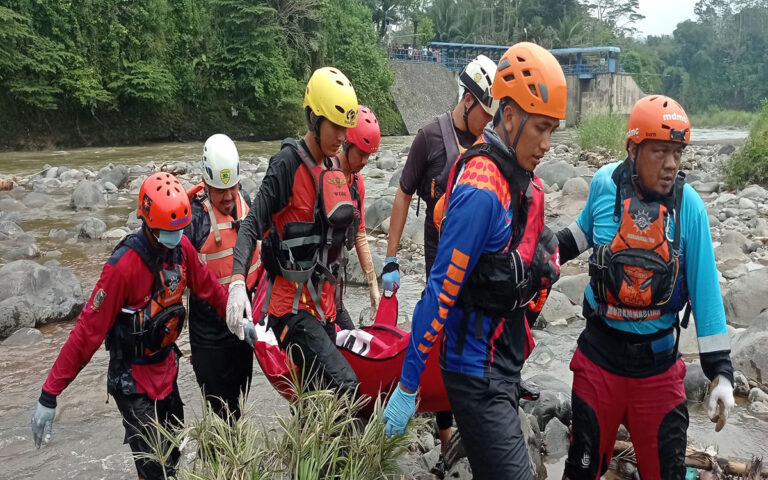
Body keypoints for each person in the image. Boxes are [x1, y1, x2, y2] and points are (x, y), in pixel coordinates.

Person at [382, 42, 567, 479]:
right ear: (509, 114)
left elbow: (530, 260)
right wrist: (408, 385)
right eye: (539, 128)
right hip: (474, 371)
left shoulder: (524, 182)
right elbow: (440, 291)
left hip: (503, 361)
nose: (546, 144)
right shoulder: (480, 192)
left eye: (552, 130)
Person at [555, 95, 735, 480]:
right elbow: (578, 236)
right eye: (659, 151)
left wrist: (721, 373)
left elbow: (706, 294)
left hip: (657, 369)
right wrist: (536, 256)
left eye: (677, 152)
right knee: (581, 472)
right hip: (598, 360)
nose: (671, 164)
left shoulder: (690, 208)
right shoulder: (604, 184)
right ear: (633, 149)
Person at [30, 173, 245, 480]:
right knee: (154, 464)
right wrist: (49, 394)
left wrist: (241, 321)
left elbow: (210, 288)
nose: (177, 236)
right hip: (131, 380)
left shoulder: (181, 248)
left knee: (172, 452)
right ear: (148, 222)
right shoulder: (123, 268)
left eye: (180, 229)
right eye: (168, 230)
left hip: (165, 369)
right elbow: (86, 333)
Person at [381, 53, 498, 469]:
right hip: (440, 276)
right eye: (485, 112)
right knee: (440, 351)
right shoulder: (430, 137)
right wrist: (391, 258)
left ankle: (469, 434)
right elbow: (403, 194)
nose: (489, 121)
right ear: (467, 99)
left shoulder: (490, 147)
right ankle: (446, 438)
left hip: (480, 283)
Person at [225, 67, 360, 394]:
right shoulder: (286, 164)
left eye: (346, 128)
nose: (343, 137)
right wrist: (237, 282)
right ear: (314, 119)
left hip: (324, 308)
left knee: (315, 395)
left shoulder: (333, 170)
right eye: (336, 127)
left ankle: (308, 445)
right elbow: (251, 224)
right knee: (346, 386)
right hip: (291, 311)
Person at [184, 133, 263, 422]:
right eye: (221, 190)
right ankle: (219, 456)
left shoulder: (245, 201)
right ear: (205, 184)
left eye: (233, 187)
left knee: (239, 405)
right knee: (220, 412)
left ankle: (233, 460)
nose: (229, 196)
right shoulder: (194, 218)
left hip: (243, 324)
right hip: (209, 333)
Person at [334, 105, 382, 328]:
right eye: (361, 153)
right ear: (346, 143)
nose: (364, 161)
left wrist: (372, 284)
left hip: (335, 280)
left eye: (369, 156)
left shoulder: (357, 184)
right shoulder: (326, 173)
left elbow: (360, 233)